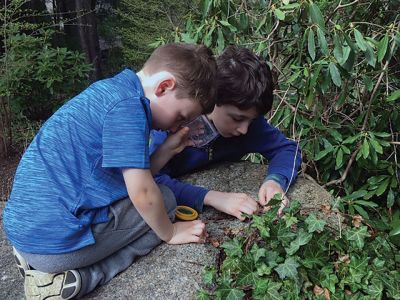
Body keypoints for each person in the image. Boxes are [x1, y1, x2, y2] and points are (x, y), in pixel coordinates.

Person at [3, 43, 217, 299]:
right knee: (166, 203)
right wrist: (170, 233)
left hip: (26, 231)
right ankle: (77, 279)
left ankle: (37, 263)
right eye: (182, 116)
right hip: (53, 246)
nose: (178, 125)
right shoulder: (130, 110)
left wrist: (167, 151)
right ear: (163, 87)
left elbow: (120, 179)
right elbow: (143, 193)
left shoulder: (110, 91)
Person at [150, 46, 302, 221]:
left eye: (251, 120)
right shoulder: (177, 126)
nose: (244, 129)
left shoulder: (251, 126)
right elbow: (150, 179)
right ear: (213, 101)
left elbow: (287, 149)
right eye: (237, 119)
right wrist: (212, 197)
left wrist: (275, 181)